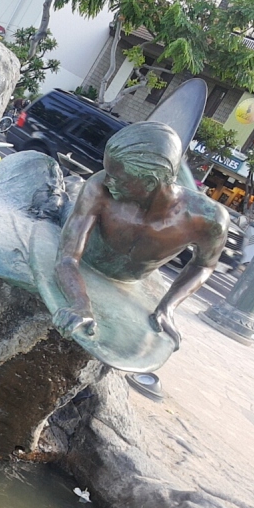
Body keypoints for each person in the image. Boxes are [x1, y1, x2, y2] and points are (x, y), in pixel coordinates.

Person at [53, 122, 229, 347]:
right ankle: (67, 185)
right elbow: (67, 258)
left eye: (117, 177)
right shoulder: (99, 188)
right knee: (59, 204)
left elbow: (204, 265)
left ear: (148, 182)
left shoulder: (208, 220)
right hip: (84, 240)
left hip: (128, 278)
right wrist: (80, 304)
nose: (107, 180)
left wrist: (167, 307)